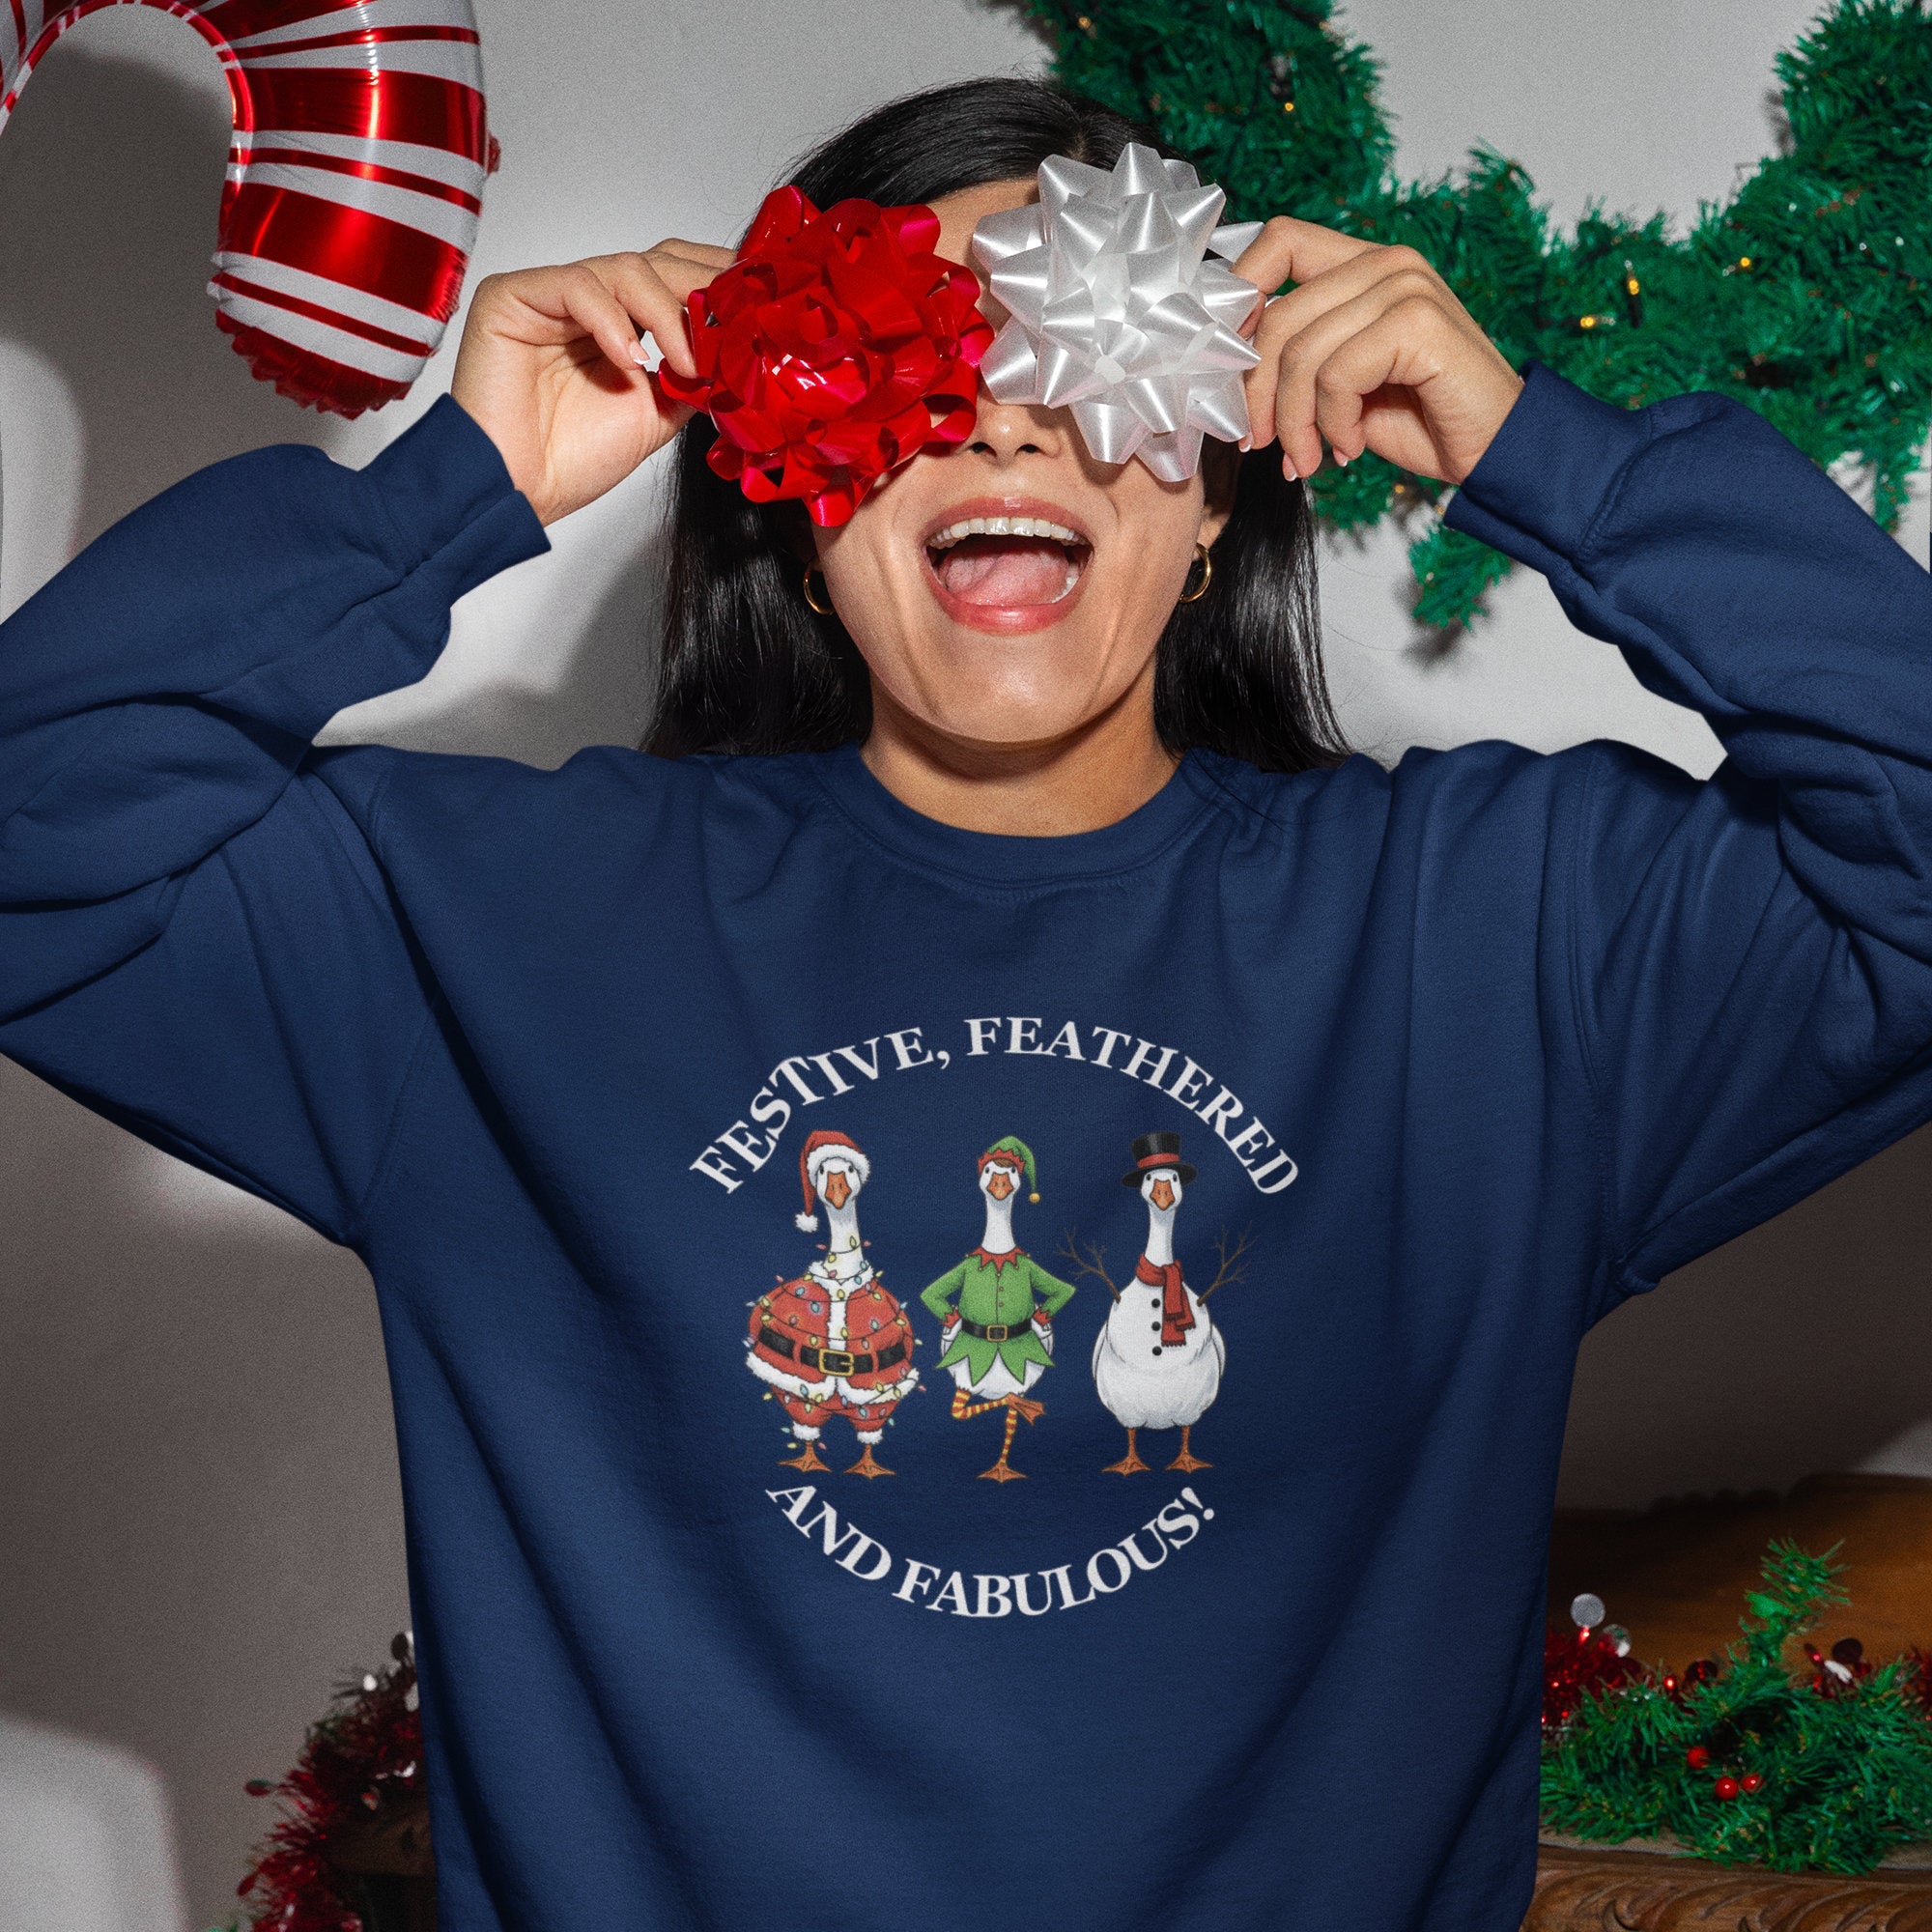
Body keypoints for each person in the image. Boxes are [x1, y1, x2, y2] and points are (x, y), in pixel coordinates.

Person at [2, 70, 1929, 1932]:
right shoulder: (494, 927)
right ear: (794, 479)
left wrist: (1545, 454)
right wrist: (458, 488)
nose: (1006, 427)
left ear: (1211, 502)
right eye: (916, 360)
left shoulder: (1501, 937)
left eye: (1092, 357)